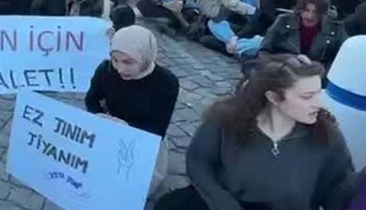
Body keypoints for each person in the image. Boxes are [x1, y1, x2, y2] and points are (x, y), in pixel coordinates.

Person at [154, 54, 363, 210]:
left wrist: (361, 179)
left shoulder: (326, 135)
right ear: (273, 98)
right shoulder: (227, 119)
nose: (319, 103)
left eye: (319, 93)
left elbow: (334, 193)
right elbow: (199, 161)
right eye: (307, 96)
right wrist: (223, 203)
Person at [85, 25, 178, 195]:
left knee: (129, 189)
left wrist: (125, 130)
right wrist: (101, 120)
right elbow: (91, 100)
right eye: (115, 60)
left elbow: (157, 130)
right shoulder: (105, 70)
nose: (120, 69)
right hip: (107, 132)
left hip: (142, 142)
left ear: (146, 56)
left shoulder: (166, 83)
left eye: (128, 62)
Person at [257, 0, 347, 67]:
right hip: (284, 71)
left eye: (316, 12)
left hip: (317, 75)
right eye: (306, 10)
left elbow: (343, 59)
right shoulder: (283, 21)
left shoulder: (336, 28)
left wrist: (319, 70)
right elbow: (264, 50)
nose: (309, 16)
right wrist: (282, 63)